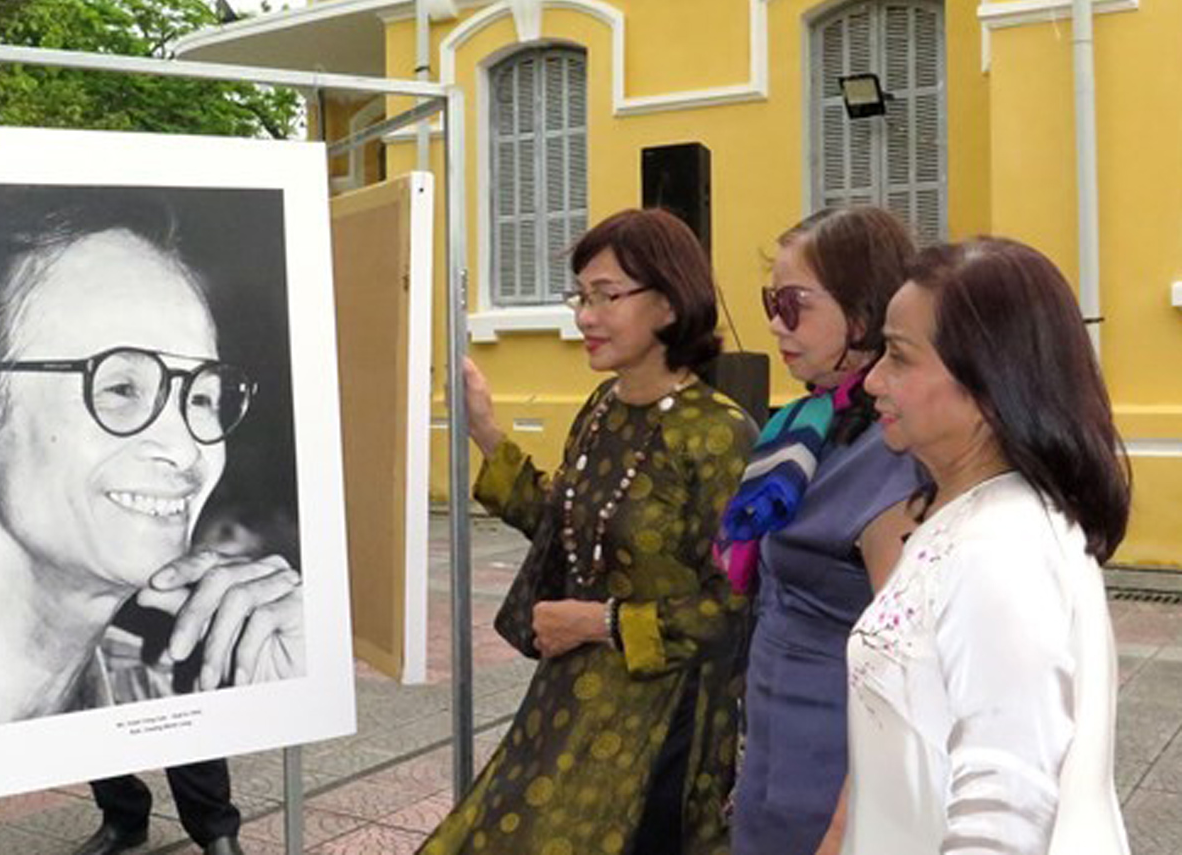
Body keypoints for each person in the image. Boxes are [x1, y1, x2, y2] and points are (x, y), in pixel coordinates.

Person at [0, 187, 304, 854]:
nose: (186, 451)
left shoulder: (193, 617)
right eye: (121, 387)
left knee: (185, 709)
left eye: (203, 396)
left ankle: (214, 829)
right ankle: (124, 815)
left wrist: (297, 668)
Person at [420, 209, 757, 855]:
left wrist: (600, 623)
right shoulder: (601, 411)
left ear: (667, 304)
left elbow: (733, 605)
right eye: (580, 295)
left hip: (665, 722)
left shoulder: (719, 434)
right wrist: (485, 429)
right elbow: (565, 521)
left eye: (605, 296)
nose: (584, 316)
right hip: (572, 698)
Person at [846, 237, 1130, 853]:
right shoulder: (966, 518)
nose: (872, 380)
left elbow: (1007, 806)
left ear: (987, 383)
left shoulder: (1000, 546)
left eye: (897, 356)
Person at [721, 207, 919, 855]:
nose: (775, 321)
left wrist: (843, 830)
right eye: (769, 300)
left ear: (862, 313)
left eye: (793, 302)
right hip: (774, 756)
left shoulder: (891, 451)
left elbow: (908, 678)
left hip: (833, 773)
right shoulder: (807, 426)